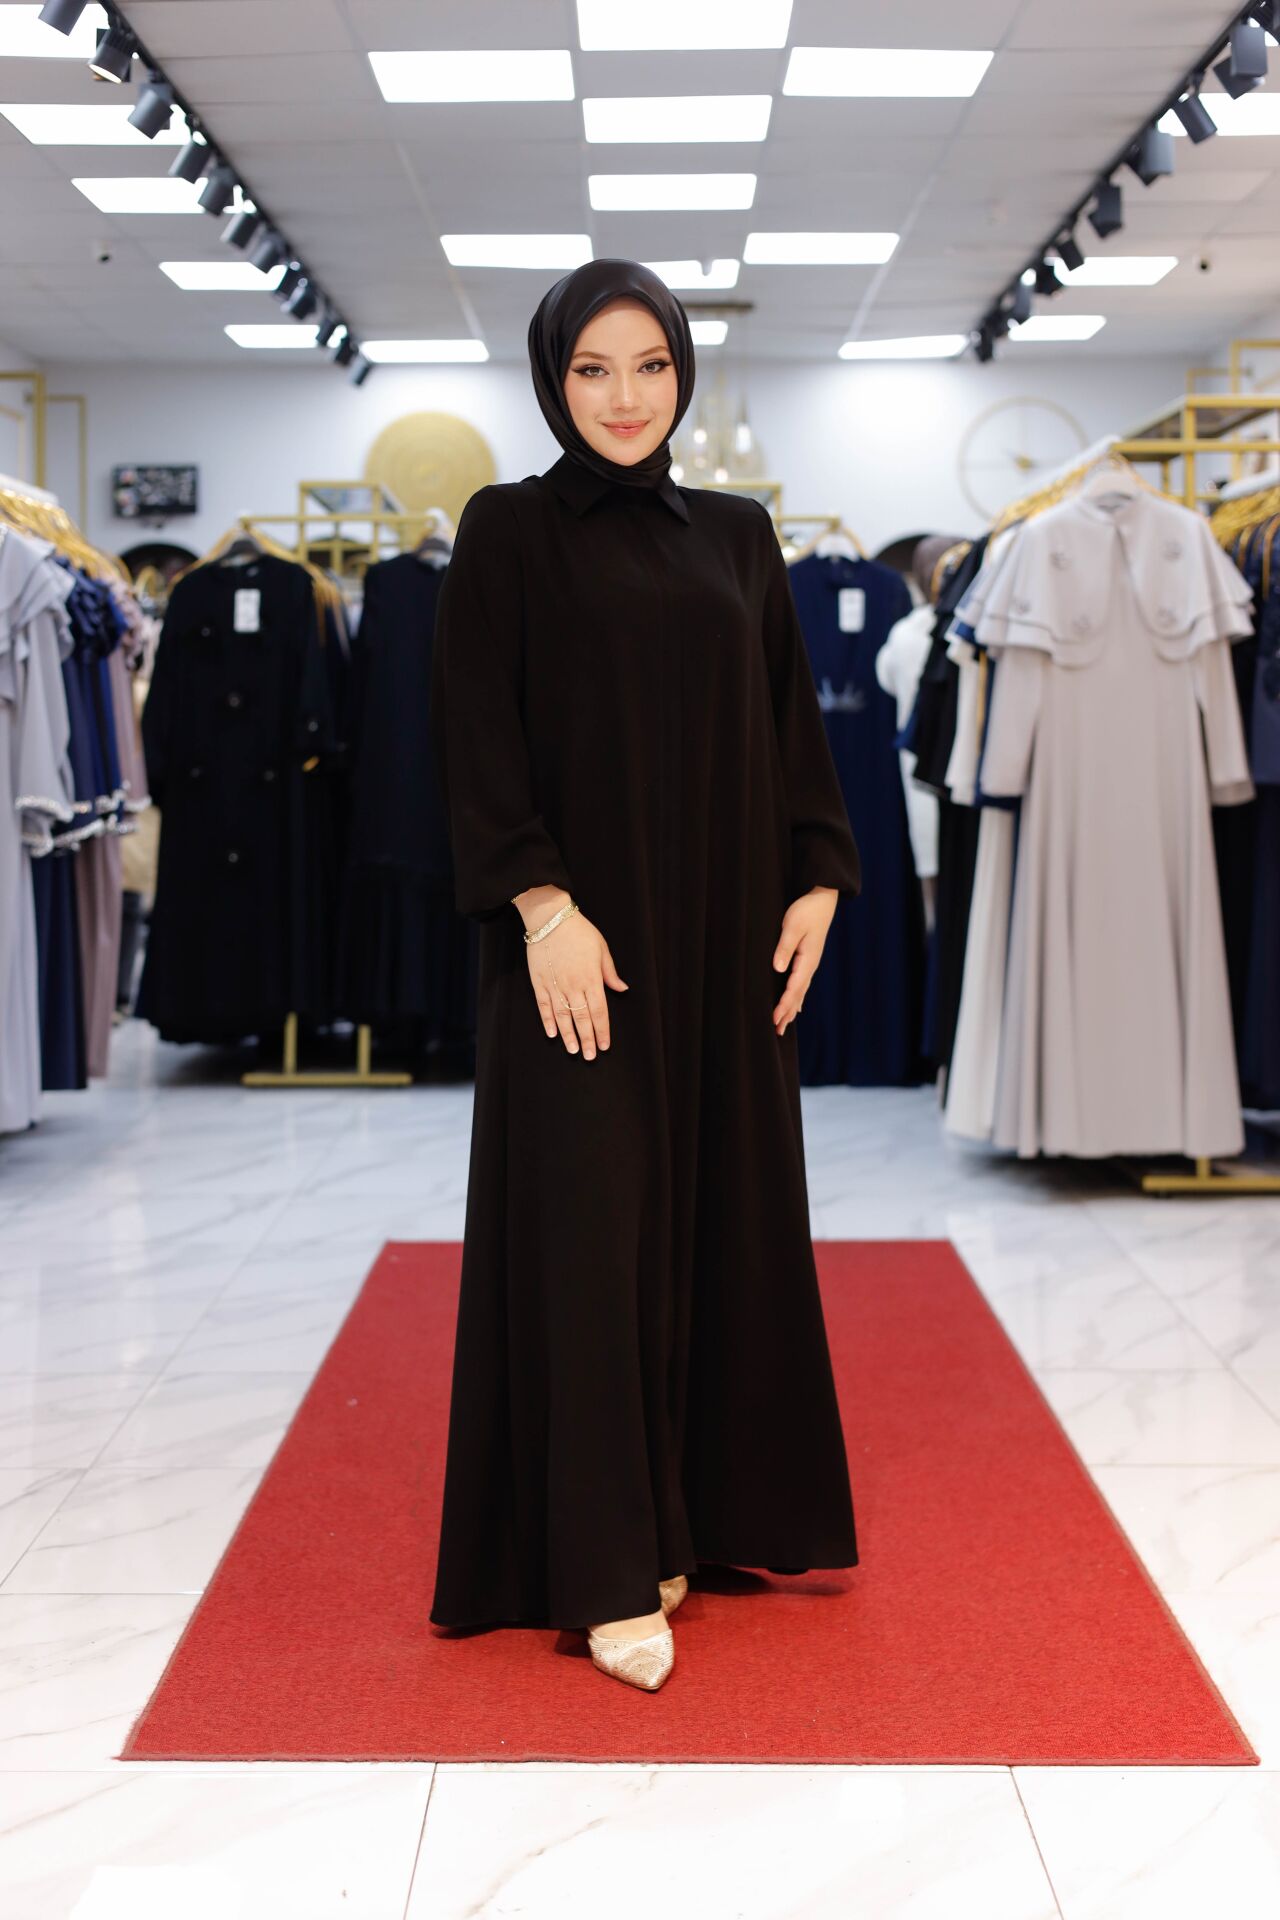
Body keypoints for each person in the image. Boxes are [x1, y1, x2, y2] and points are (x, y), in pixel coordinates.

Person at [427, 258, 862, 1692]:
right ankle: (606, 1562)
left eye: (652, 367)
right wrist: (540, 903)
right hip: (581, 951)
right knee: (591, 1230)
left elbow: (790, 720)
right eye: (593, 369)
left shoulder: (738, 534)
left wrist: (818, 876)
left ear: (684, 373)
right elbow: (475, 733)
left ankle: (699, 1517)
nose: (625, 398)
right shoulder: (507, 529)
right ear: (553, 380)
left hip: (726, 938)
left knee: (721, 1209)